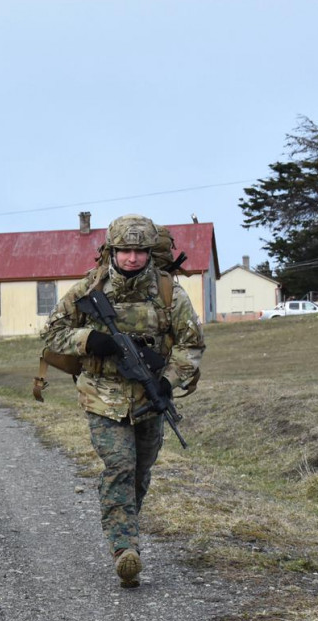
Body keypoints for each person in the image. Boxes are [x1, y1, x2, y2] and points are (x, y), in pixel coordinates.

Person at [40, 214, 204, 588]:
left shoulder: (168, 293)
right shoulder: (88, 288)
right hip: (103, 396)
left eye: (140, 251)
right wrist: (89, 340)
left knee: (141, 472)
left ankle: (125, 526)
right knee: (120, 466)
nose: (132, 258)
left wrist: (168, 381)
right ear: (112, 251)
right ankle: (124, 548)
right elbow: (52, 333)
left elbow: (191, 343)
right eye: (125, 251)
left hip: (149, 398)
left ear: (149, 253)